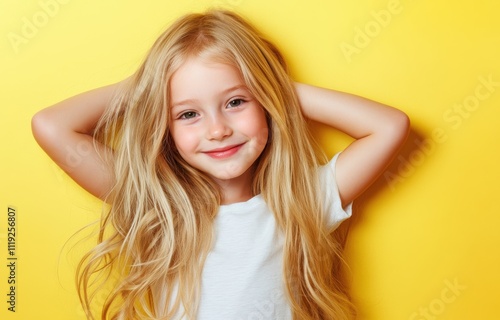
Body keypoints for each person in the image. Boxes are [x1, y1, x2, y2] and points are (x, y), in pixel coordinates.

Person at [31, 9, 410, 320]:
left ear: (266, 102)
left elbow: (388, 126)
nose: (217, 130)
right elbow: (52, 126)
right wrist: (150, 86)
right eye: (189, 113)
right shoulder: (158, 206)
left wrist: (271, 84)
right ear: (165, 126)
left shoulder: (302, 200)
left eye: (235, 102)